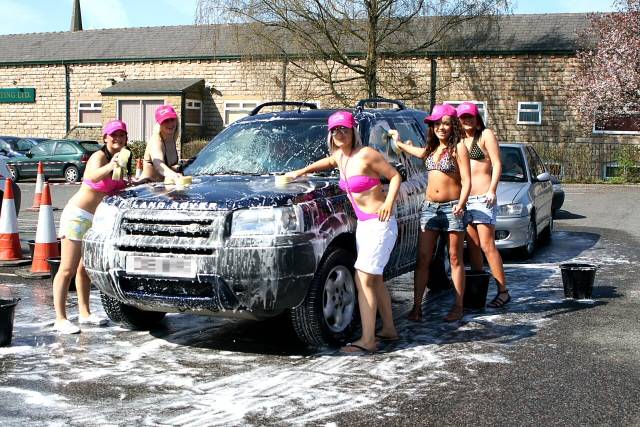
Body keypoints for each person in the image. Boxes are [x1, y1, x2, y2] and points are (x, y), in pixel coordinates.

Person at [285, 111, 401, 354]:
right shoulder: (340, 156)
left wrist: (389, 202)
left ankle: (368, 340)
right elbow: (326, 163)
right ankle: (389, 328)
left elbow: (394, 176)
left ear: (353, 131)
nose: (339, 133)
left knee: (362, 279)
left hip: (380, 223)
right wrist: (300, 172)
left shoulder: (367, 154)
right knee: (375, 279)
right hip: (365, 226)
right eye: (335, 130)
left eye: (344, 129)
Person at [392, 103, 471, 322]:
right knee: (423, 258)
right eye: (437, 124)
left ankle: (458, 305)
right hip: (429, 208)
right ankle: (417, 307)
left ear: (453, 125)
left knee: (455, 258)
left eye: (446, 123)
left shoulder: (459, 148)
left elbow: (466, 181)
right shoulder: (432, 149)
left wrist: (461, 204)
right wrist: (398, 143)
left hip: (452, 207)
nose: (441, 128)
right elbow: (418, 152)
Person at [53, 119, 132, 334]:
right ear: (105, 138)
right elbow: (90, 176)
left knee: (84, 269)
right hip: (77, 215)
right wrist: (112, 164)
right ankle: (60, 318)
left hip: (95, 219)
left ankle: (85, 313)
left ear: (126, 138)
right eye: (113, 135)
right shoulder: (99, 157)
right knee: (67, 268)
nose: (117, 138)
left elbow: (117, 186)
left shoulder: (122, 160)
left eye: (121, 135)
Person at [457, 102, 510, 308]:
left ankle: (503, 291)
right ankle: (478, 290)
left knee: (488, 245)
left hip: (483, 198)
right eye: (462, 117)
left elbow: (497, 163)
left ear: (477, 117)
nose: (466, 120)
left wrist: (492, 190)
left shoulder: (485, 135)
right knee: (472, 246)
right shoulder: (460, 140)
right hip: (465, 200)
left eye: (470, 116)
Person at [139, 104, 182, 183]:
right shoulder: (156, 140)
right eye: (165, 121)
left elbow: (169, 167)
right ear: (159, 124)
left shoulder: (172, 139)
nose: (170, 124)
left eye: (172, 119)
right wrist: (174, 175)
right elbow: (158, 165)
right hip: (147, 188)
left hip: (163, 187)